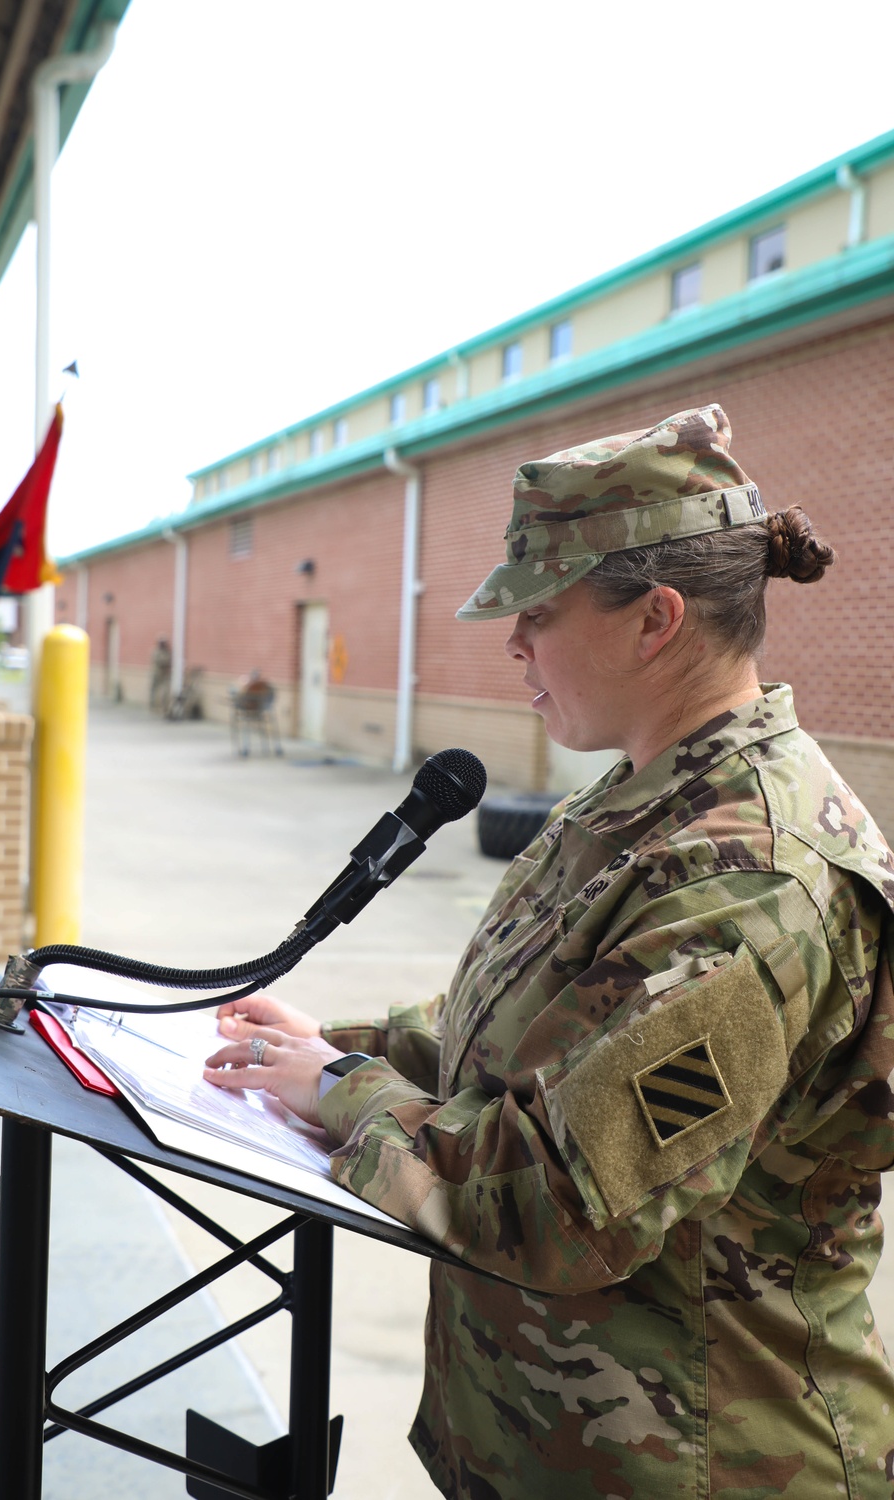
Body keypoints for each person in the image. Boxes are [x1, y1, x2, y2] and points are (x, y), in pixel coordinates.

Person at [203, 405, 894, 1499]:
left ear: (653, 620)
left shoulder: (749, 877)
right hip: (554, 1446)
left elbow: (556, 1204)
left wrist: (342, 1092)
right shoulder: (636, 801)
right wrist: (325, 1048)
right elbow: (524, 1038)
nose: (513, 641)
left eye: (539, 611)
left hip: (704, 1463)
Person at [150, 636, 172, 714]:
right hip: (156, 673)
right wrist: (165, 661)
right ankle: (153, 706)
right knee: (154, 690)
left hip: (165, 675)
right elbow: (159, 661)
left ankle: (164, 707)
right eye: (161, 643)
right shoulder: (156, 651)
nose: (162, 644)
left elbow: (168, 660)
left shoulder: (167, 652)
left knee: (165, 691)